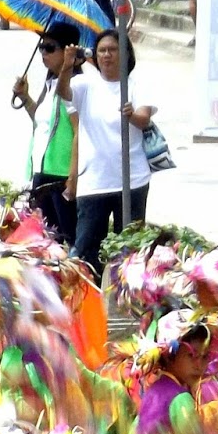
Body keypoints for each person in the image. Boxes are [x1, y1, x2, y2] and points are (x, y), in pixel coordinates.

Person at [59, 29, 156, 274]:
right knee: (87, 250)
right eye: (102, 50)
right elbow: (64, 92)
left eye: (112, 50)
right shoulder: (84, 84)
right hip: (95, 182)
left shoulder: (135, 86)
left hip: (131, 181)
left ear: (125, 54)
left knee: (130, 253)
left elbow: (144, 118)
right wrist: (67, 66)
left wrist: (131, 115)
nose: (106, 55)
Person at [13, 23, 80, 243]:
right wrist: (25, 98)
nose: (43, 53)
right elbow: (42, 124)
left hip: (61, 176)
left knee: (68, 238)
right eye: (42, 47)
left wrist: (72, 178)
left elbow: (79, 131)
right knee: (47, 241)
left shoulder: (74, 86)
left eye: (50, 48)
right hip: (42, 173)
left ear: (68, 51)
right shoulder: (50, 83)